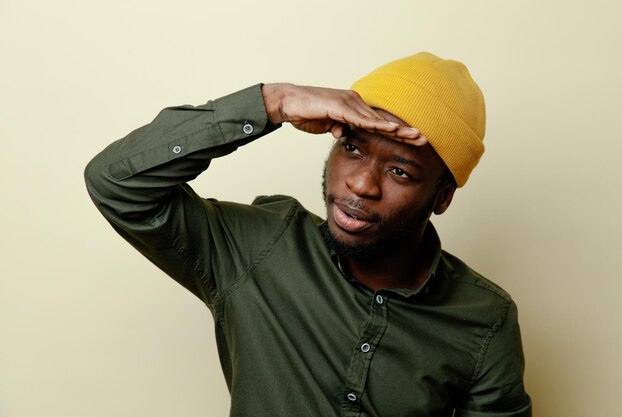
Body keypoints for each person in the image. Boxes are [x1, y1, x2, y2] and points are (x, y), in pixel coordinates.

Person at [85, 52, 532, 417]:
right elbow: (116, 183)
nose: (361, 184)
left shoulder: (484, 318)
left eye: (400, 171)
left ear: (442, 196)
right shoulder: (259, 247)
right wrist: (272, 102)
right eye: (352, 148)